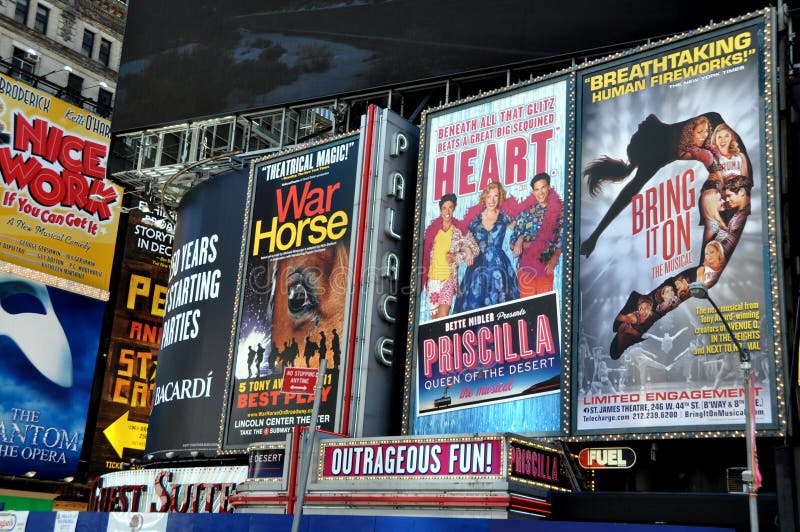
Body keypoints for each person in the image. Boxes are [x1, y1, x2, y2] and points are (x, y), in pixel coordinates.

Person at [580, 112, 749, 257]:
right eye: (638, 131)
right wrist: (595, 235)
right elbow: (625, 195)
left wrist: (595, 236)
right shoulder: (656, 155)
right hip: (726, 166)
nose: (640, 124)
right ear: (647, 142)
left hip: (725, 154)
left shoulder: (657, 133)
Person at [455, 182, 520, 312]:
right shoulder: (475, 220)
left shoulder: (504, 217)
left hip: (499, 265)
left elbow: (521, 228)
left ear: (500, 197)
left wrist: (519, 240)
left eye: (496, 196)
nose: (492, 200)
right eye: (489, 196)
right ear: (484, 198)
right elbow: (458, 242)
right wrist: (468, 250)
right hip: (478, 267)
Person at [421, 194, 478, 319]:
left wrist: (456, 257)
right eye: (444, 208)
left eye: (450, 207)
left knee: (443, 315)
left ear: (454, 208)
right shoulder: (432, 231)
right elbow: (424, 256)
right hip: (433, 280)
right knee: (435, 320)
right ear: (440, 210)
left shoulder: (460, 230)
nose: (447, 211)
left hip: (448, 279)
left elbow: (475, 249)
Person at [509, 172, 564, 297]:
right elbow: (512, 244)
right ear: (533, 192)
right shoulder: (526, 213)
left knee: (544, 308)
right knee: (526, 308)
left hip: (546, 266)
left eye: (543, 187)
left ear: (549, 187)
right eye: (537, 189)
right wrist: (520, 240)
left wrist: (554, 259)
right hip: (526, 269)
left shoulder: (560, 211)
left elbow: (561, 240)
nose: (540, 192)